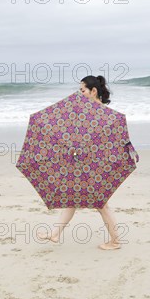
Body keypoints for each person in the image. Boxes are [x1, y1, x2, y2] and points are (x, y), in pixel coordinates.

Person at [37, 75, 122, 250]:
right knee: (73, 198)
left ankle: (115, 241)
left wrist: (82, 149)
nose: (79, 93)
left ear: (93, 91)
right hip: (87, 163)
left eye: (82, 90)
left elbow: (102, 143)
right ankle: (55, 234)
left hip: (98, 166)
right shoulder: (88, 113)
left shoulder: (102, 115)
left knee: (102, 204)